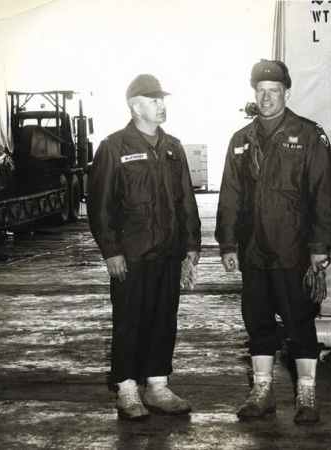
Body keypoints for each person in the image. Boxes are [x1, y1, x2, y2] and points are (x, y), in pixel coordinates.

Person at [215, 60, 331, 425]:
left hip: (294, 251)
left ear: (286, 93)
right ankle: (262, 391)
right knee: (257, 323)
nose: (266, 97)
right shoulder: (241, 140)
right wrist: (227, 244)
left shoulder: (308, 135)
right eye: (260, 92)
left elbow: (327, 194)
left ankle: (306, 395)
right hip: (254, 251)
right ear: (253, 95)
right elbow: (230, 196)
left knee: (299, 322)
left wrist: (320, 246)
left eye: (273, 91)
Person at [87, 74, 201, 420]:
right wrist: (111, 251)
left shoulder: (172, 148)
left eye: (162, 100)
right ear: (135, 106)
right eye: (154, 101)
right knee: (130, 322)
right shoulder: (113, 147)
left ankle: (157, 386)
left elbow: (186, 202)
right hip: (131, 256)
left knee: (164, 320)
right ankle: (126, 390)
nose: (161, 105)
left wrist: (191, 248)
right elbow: (100, 205)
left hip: (168, 253)